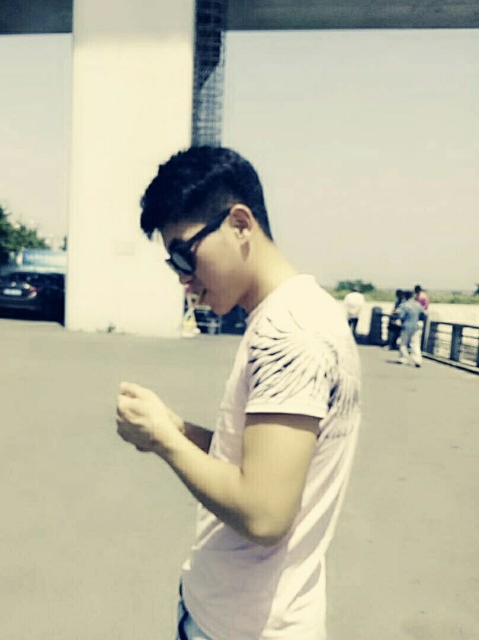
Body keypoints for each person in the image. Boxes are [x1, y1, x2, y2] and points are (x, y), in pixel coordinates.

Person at [115, 147, 362, 640]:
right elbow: (257, 468)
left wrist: (164, 439)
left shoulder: (290, 334)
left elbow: (264, 512)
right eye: (173, 264)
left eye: (185, 255)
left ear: (240, 224)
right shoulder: (294, 315)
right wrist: (179, 429)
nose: (184, 279)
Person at [397, 291, 424, 367]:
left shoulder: (405, 305)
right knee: (415, 344)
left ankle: (403, 358)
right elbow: (423, 314)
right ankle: (417, 360)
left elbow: (402, 316)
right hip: (415, 326)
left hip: (406, 326)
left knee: (403, 343)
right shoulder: (418, 304)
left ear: (405, 296)